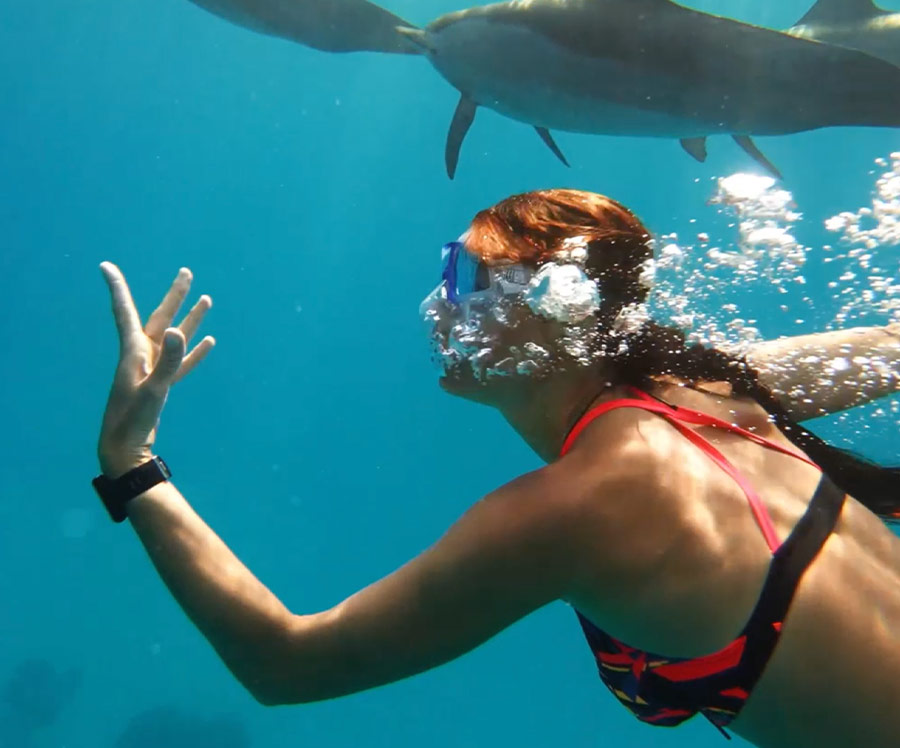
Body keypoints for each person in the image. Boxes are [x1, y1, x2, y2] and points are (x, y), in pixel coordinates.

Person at [94, 188, 900, 747]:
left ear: (564, 309)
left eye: (474, 280)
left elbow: (287, 663)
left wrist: (131, 465)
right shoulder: (710, 390)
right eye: (450, 270)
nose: (444, 304)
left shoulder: (584, 502)